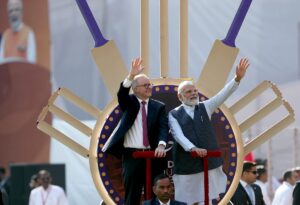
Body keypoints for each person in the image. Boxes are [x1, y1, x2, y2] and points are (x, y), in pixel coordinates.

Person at [168, 58, 250, 205]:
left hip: (210, 163)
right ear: (180, 96)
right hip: (187, 165)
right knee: (188, 200)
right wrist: (193, 148)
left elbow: (222, 95)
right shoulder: (173, 114)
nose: (193, 94)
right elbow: (178, 135)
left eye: (194, 91)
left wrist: (237, 79)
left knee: (212, 196)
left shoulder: (206, 106)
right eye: (188, 92)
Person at [102, 57, 169, 205]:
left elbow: (163, 128)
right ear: (136, 89)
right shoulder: (129, 102)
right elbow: (122, 94)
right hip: (132, 157)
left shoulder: (159, 107)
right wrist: (131, 76)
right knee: (132, 196)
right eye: (146, 85)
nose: (149, 87)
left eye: (150, 85)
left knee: (154, 198)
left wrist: (162, 145)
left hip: (154, 157)